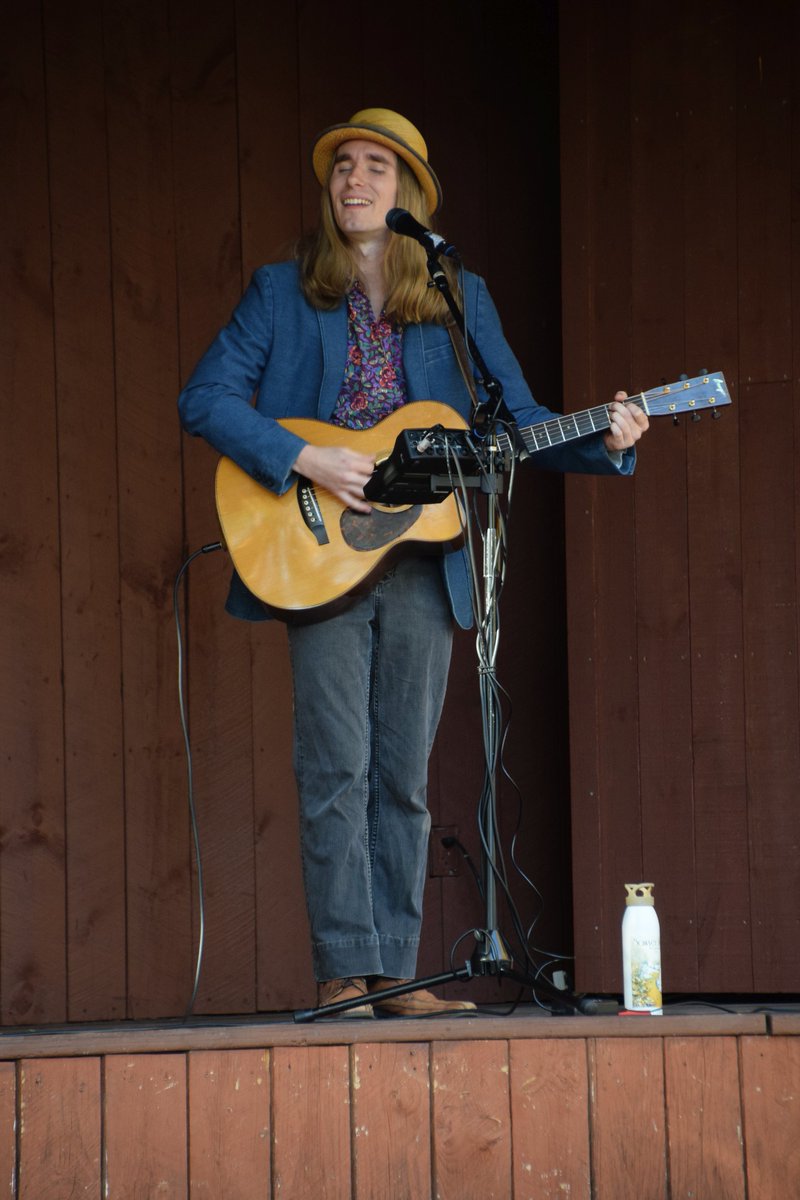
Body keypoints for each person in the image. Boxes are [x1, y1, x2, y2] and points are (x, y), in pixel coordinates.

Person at [178, 108, 648, 1018]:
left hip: (423, 557)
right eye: (342, 167)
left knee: (401, 771)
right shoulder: (281, 292)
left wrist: (609, 438)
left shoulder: (456, 299)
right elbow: (205, 397)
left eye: (377, 169)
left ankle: (395, 973)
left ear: (411, 195)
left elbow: (517, 425)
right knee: (334, 766)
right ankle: (343, 972)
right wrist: (305, 457)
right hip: (313, 548)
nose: (355, 180)